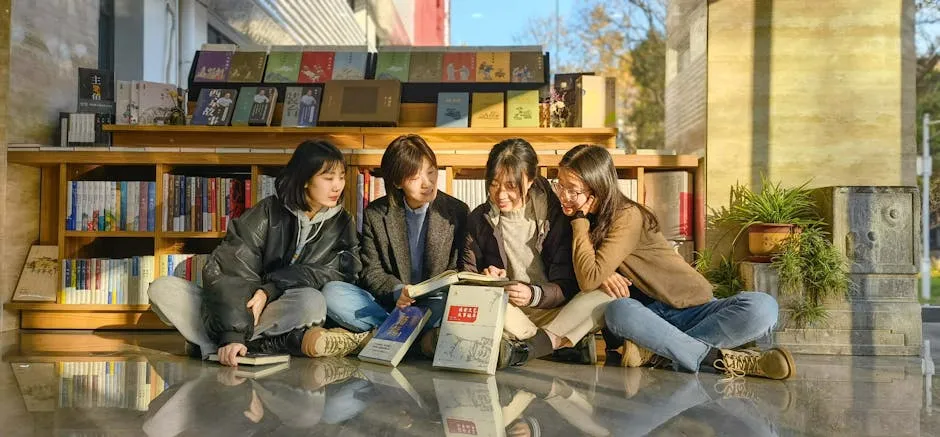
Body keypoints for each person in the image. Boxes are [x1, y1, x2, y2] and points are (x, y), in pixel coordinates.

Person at [554, 144, 794, 380]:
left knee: (764, 307)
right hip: (648, 318)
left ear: (598, 187)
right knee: (618, 311)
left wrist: (585, 237)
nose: (564, 196)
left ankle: (661, 353)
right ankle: (722, 359)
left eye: (572, 189)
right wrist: (594, 256)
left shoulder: (627, 215)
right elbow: (589, 278)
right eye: (560, 185)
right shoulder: (579, 220)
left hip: (691, 309)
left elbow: (589, 276)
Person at [148, 140, 368, 366]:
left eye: (341, 177)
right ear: (304, 179)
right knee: (162, 289)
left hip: (281, 307)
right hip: (239, 302)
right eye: (328, 178)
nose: (338, 186)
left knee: (313, 301)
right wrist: (234, 329)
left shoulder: (342, 223)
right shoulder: (268, 212)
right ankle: (256, 342)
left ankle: (212, 342)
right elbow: (231, 269)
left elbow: (338, 273)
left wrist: (269, 290)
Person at [462, 138, 609, 369]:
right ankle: (562, 344)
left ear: (530, 180)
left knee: (605, 297)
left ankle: (530, 346)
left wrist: (534, 295)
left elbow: (569, 283)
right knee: (480, 314)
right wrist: (486, 281)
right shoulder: (478, 220)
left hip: (555, 311)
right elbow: (466, 278)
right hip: (510, 315)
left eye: (511, 185)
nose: (500, 194)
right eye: (494, 184)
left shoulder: (556, 215)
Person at [321, 134, 469, 355]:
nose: (427, 183)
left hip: (433, 304)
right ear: (398, 182)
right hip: (391, 305)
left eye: (431, 172)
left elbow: (459, 269)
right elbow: (372, 270)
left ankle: (378, 339)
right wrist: (397, 291)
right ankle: (417, 343)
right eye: (415, 177)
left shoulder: (456, 212)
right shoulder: (376, 213)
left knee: (448, 305)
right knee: (332, 292)